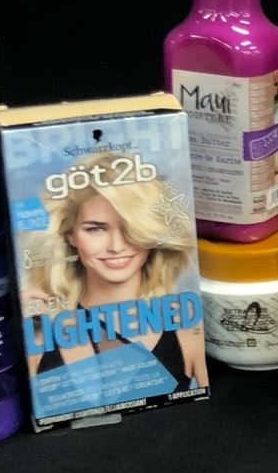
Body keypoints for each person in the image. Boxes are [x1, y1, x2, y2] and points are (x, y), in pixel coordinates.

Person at [23, 153, 209, 392]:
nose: (116, 246)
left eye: (131, 228)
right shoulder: (40, 336)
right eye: (96, 229)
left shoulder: (186, 325)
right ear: (70, 235)